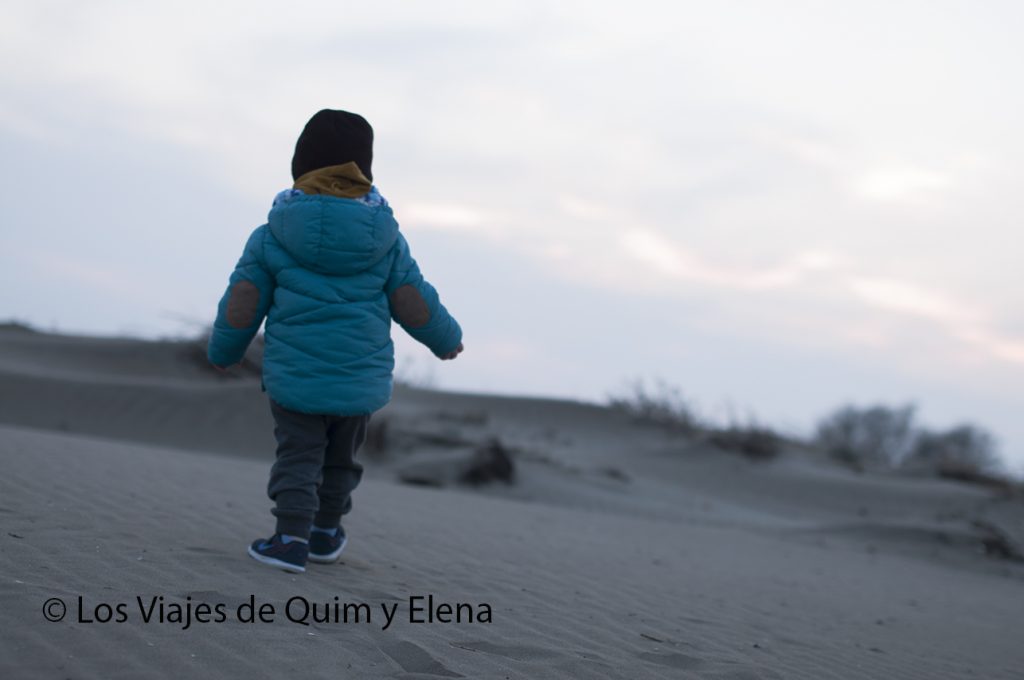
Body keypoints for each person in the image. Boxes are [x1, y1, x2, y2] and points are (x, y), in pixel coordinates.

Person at [207, 109, 463, 573]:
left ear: (300, 166)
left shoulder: (272, 236)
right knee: (341, 459)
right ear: (364, 170)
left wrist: (223, 351)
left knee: (299, 456)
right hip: (358, 380)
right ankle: (325, 534)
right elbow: (412, 299)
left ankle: (289, 539)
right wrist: (446, 340)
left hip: (296, 376)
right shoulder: (387, 239)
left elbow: (243, 300)